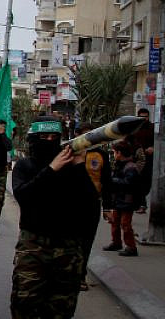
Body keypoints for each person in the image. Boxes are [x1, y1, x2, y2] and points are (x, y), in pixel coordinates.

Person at [10, 116, 99, 318]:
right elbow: (24, 196)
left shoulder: (72, 167)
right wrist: (51, 170)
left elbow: (91, 205)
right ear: (33, 138)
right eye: (43, 136)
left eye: (54, 137)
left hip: (68, 249)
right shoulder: (25, 166)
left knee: (61, 308)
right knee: (24, 304)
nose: (49, 141)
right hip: (33, 247)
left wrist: (79, 168)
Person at [75, 122, 110, 290]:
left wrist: (108, 208)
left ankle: (81, 276)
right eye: (85, 134)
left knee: (87, 242)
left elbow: (107, 183)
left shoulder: (101, 155)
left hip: (92, 204)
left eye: (92, 134)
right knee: (72, 241)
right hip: (72, 204)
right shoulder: (70, 152)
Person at [102, 141, 142, 257]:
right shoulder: (120, 164)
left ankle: (131, 247)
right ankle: (116, 242)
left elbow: (129, 184)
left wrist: (112, 181)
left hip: (127, 200)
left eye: (114, 152)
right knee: (114, 222)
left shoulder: (131, 167)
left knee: (125, 224)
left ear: (119, 153)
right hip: (119, 199)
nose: (113, 154)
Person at [127, 108, 153, 214]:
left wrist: (152, 148)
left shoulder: (152, 128)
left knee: (146, 183)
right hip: (136, 160)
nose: (144, 119)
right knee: (137, 182)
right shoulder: (133, 128)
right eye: (141, 117)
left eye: (145, 116)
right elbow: (127, 142)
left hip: (148, 159)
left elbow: (157, 141)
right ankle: (141, 204)